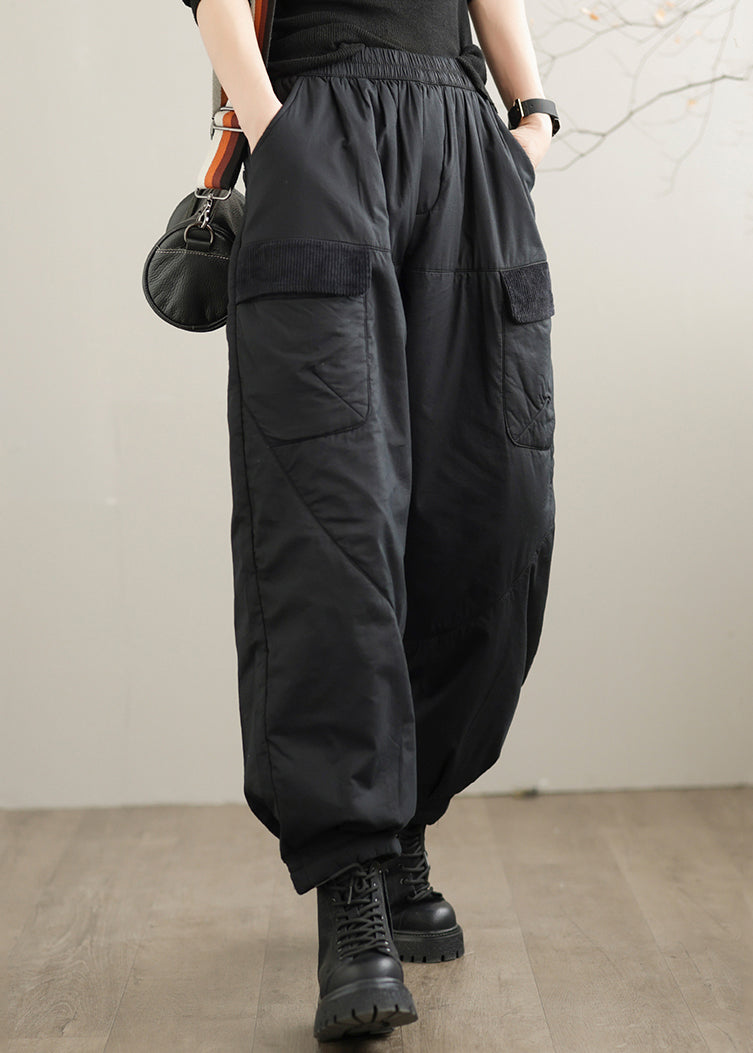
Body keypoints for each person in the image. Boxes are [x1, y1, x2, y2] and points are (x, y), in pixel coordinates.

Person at [182, 0, 558, 1042]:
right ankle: (351, 882)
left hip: (465, 146)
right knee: (328, 528)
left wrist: (532, 115)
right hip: (322, 127)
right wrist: (276, 134)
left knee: (490, 515)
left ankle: (404, 827)